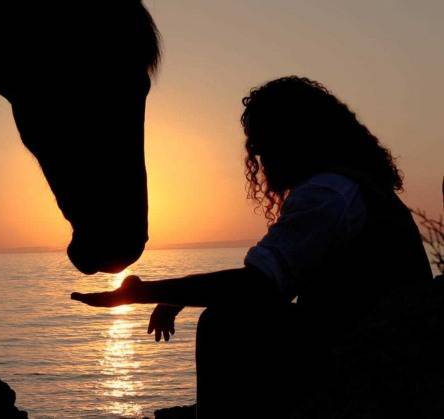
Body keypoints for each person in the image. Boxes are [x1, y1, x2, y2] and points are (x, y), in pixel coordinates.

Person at [71, 76, 434, 417]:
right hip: (382, 344)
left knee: (224, 324)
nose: (261, 162)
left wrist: (142, 292)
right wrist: (176, 297)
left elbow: (259, 285)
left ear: (296, 138)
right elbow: (267, 280)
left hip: (374, 361)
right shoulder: (354, 188)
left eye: (264, 146)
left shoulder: (328, 194)